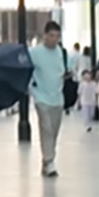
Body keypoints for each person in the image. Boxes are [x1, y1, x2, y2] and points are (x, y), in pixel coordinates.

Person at [29, 21, 72, 177]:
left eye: (57, 36)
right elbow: (27, 70)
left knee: (54, 130)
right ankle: (50, 160)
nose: (54, 39)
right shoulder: (34, 53)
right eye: (51, 36)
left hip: (57, 97)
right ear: (45, 36)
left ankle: (46, 160)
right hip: (40, 96)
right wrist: (30, 88)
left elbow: (65, 71)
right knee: (46, 127)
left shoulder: (62, 53)